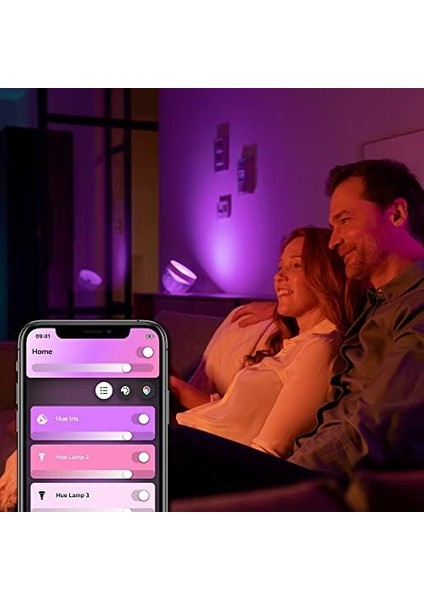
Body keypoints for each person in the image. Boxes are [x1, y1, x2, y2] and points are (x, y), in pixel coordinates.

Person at [169, 158, 424, 500]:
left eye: (344, 221)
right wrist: (278, 307)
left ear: (396, 214)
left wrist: (289, 484)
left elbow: (375, 427)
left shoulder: (415, 306)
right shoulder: (375, 304)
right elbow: (327, 301)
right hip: (304, 463)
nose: (334, 241)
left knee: (168, 448)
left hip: (333, 480)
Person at [170, 226, 362, 459]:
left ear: (325, 274)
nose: (279, 276)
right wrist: (178, 387)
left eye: (296, 265)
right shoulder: (295, 345)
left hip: (196, 454)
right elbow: (228, 418)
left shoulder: (319, 348)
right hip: (187, 433)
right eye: (280, 267)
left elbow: (267, 451)